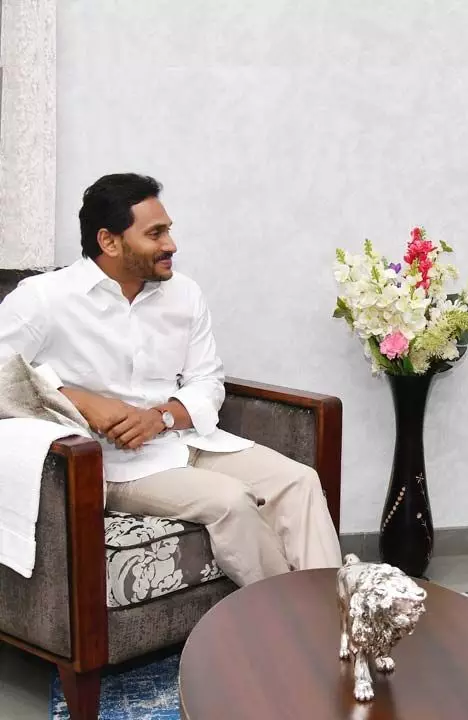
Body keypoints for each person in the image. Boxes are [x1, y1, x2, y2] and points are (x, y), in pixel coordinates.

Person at [0, 173, 341, 586]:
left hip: (187, 438)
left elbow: (207, 380)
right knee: (230, 501)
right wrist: (79, 399)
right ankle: (287, 625)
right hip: (115, 464)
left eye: (169, 230)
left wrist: (161, 417)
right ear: (109, 241)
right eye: (156, 233)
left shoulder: (185, 294)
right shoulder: (43, 298)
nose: (171, 245)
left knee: (299, 481)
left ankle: (332, 622)